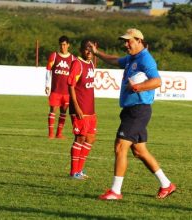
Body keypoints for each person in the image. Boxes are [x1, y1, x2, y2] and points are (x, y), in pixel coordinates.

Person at [88, 28, 176, 200]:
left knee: (120, 147)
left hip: (138, 110)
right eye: (124, 41)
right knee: (139, 151)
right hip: (131, 110)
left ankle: (115, 191)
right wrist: (97, 53)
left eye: (129, 41)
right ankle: (167, 185)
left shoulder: (145, 59)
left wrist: (138, 87)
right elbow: (115, 60)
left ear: (139, 41)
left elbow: (157, 81)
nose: (125, 44)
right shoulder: (131, 58)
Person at [67, 39, 97, 179]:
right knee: (80, 138)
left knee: (90, 138)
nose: (89, 52)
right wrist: (76, 107)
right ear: (81, 50)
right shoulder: (77, 64)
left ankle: (80, 170)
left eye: (91, 49)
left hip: (90, 109)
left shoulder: (91, 63)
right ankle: (74, 172)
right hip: (80, 109)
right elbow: (71, 86)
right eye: (86, 49)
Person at [45, 35, 76, 139]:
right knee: (53, 109)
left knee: (64, 111)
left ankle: (59, 133)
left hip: (67, 91)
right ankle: (50, 133)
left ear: (68, 45)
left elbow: (75, 75)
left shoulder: (72, 59)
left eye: (64, 45)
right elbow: (48, 70)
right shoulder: (54, 56)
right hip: (55, 90)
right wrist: (47, 85)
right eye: (61, 45)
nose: (62, 47)